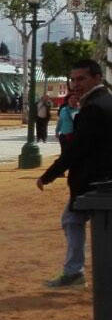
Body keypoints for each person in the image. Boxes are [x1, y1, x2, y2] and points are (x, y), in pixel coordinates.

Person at [38, 61, 111, 287]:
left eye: (81, 79)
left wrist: (48, 175)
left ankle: (74, 272)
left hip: (94, 183)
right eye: (73, 79)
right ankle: (73, 271)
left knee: (73, 219)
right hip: (102, 180)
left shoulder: (93, 108)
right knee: (72, 219)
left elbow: (76, 151)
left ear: (97, 78)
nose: (75, 84)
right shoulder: (106, 102)